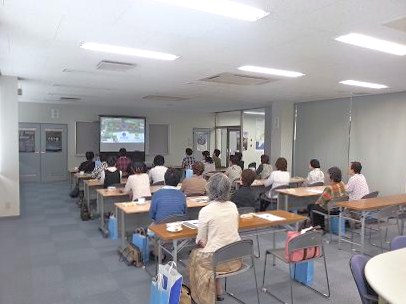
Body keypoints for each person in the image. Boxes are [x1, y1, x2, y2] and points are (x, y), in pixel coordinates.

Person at [188, 173, 241, 303]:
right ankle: (218, 290)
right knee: (217, 249)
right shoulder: (233, 206)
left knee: (194, 257)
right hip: (235, 258)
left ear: (209, 188)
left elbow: (201, 242)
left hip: (217, 261)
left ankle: (202, 298)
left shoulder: (206, 211)